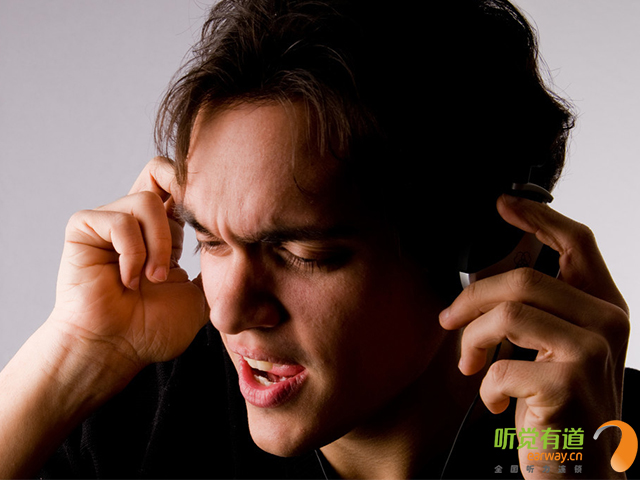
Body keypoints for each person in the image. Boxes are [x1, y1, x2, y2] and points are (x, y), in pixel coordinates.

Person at [0, 0, 634, 478]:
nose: (228, 312)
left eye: (303, 254)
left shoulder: (592, 438)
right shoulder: (143, 420)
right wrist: (73, 356)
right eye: (211, 241)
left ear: (483, 246)